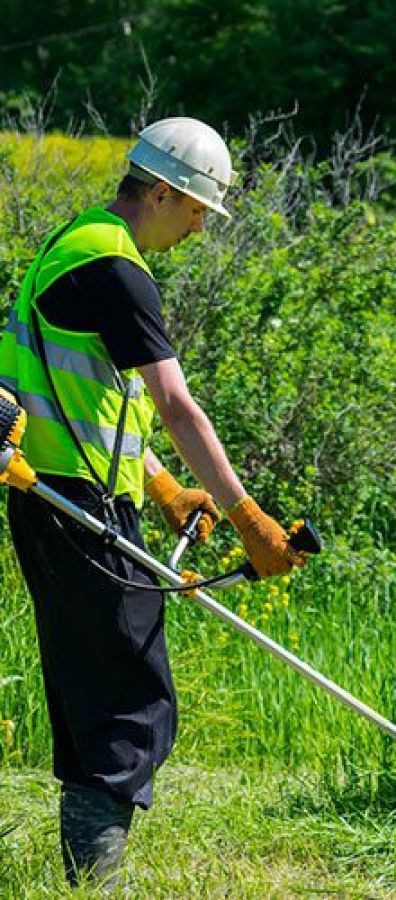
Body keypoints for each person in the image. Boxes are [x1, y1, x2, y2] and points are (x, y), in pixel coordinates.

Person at [0, 117, 305, 890]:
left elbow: (107, 395)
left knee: (93, 679)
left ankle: (83, 874)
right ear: (164, 192)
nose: (201, 227)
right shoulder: (115, 267)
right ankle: (93, 882)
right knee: (129, 691)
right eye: (199, 209)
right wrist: (249, 519)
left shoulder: (77, 243)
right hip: (77, 504)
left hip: (50, 493)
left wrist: (165, 487)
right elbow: (176, 404)